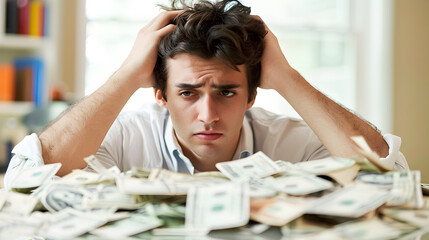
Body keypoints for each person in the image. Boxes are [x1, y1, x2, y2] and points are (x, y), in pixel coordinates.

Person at [4, 0, 408, 189]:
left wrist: (287, 77)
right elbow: (24, 179)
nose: (209, 114)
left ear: (252, 95)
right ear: (160, 94)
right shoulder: (126, 137)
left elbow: (389, 176)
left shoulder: (290, 141)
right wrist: (127, 75)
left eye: (228, 91)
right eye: (188, 92)